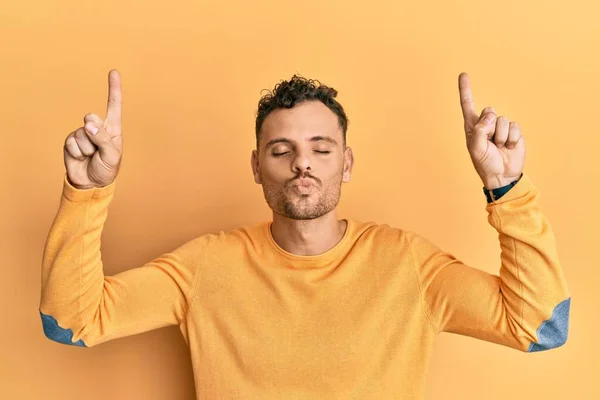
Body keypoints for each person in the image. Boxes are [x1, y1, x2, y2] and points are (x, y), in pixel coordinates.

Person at [40, 69, 570, 399]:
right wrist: (85, 192)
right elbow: (72, 321)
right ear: (256, 166)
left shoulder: (407, 264)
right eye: (281, 150)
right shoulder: (206, 267)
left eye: (321, 148)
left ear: (346, 163)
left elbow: (540, 327)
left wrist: (506, 186)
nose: (303, 165)